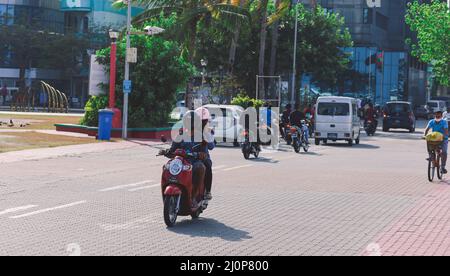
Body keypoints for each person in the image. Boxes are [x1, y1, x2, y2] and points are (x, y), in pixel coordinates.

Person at [164, 110, 215, 204]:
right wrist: (167, 152)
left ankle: (195, 195)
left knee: (201, 167)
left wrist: (201, 154)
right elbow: (173, 148)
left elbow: (205, 150)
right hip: (182, 161)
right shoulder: (181, 134)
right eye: (187, 122)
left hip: (195, 161)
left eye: (190, 122)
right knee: (167, 166)